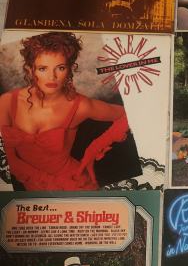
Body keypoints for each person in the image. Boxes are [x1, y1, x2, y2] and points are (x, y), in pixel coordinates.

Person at [0, 32, 131, 191]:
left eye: (60, 68)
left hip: (74, 183)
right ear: (29, 70)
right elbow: (9, 159)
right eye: (43, 68)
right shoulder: (7, 102)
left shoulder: (80, 106)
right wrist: (44, 181)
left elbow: (127, 114)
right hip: (32, 187)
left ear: (69, 70)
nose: (52, 77)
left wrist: (94, 148)